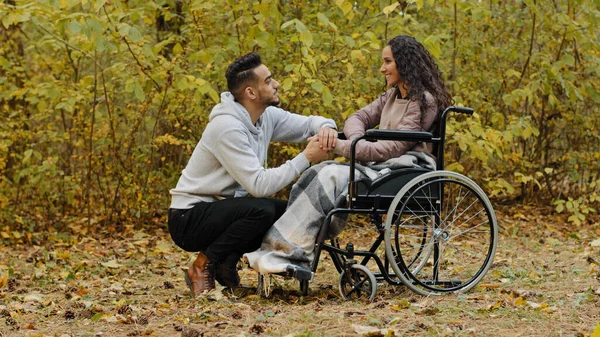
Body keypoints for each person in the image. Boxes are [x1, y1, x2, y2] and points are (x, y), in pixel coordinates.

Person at [245, 35, 453, 276]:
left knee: (330, 175)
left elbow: (391, 148)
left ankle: (289, 253)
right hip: (381, 166)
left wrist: (341, 146)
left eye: (387, 61)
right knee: (314, 172)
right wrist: (355, 142)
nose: (382, 68)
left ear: (405, 64)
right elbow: (357, 119)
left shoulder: (424, 101)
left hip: (406, 170)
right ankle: (283, 250)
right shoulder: (392, 96)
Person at [168, 52, 338, 296]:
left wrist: (326, 128)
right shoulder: (227, 128)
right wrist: (306, 158)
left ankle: (226, 264)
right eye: (268, 81)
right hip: (188, 218)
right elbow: (258, 186)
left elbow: (310, 123)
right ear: (251, 93)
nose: (276, 83)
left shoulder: (264, 116)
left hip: (221, 210)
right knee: (262, 210)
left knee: (292, 210)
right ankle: (203, 265)